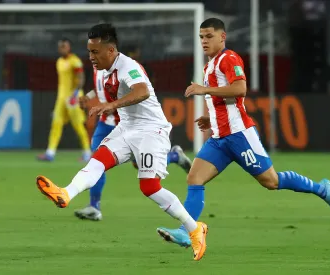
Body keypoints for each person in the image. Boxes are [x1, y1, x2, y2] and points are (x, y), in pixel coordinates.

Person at [156, 18, 330, 246]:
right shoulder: (209, 66)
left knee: (271, 182)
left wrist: (204, 89)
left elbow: (240, 88)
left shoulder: (229, 59)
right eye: (201, 37)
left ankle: (322, 189)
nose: (204, 41)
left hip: (239, 136)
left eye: (209, 36)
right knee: (194, 177)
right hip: (219, 139)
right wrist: (211, 118)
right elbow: (226, 100)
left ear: (222, 37)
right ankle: (189, 232)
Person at [36, 23, 208, 261]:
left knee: (149, 187)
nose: (91, 57)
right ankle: (65, 193)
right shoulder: (104, 69)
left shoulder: (128, 65)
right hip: (127, 128)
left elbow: (142, 92)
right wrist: (91, 100)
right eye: (89, 52)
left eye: (95, 52)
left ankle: (194, 228)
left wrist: (110, 106)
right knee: (98, 160)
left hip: (151, 130)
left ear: (111, 50)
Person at [74, 67, 192, 221]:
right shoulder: (98, 65)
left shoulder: (120, 67)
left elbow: (137, 92)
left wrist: (114, 106)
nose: (93, 55)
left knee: (142, 166)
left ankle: (175, 156)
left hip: (127, 124)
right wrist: (88, 97)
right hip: (104, 123)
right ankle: (94, 206)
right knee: (97, 161)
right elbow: (100, 88)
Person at [37, 38, 92, 162]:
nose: (62, 48)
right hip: (61, 99)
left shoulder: (75, 61)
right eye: (60, 46)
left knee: (78, 126)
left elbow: (81, 78)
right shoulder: (59, 62)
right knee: (56, 124)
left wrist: (76, 93)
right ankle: (50, 153)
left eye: (64, 46)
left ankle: (87, 153)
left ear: (69, 47)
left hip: (73, 98)